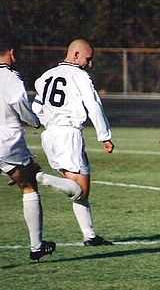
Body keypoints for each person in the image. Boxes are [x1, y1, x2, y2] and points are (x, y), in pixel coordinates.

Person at [32, 39, 114, 246]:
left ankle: (90, 236)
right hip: (68, 135)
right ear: (76, 55)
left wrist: (45, 123)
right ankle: (39, 177)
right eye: (88, 59)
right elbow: (93, 105)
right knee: (81, 191)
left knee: (78, 190)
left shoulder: (45, 76)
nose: (90, 64)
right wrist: (104, 135)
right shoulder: (79, 75)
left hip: (49, 135)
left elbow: (36, 108)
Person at [0, 35, 56, 261]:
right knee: (30, 184)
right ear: (12, 52)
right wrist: (35, 121)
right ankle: (36, 246)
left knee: (25, 176)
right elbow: (20, 106)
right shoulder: (9, 76)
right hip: (7, 139)